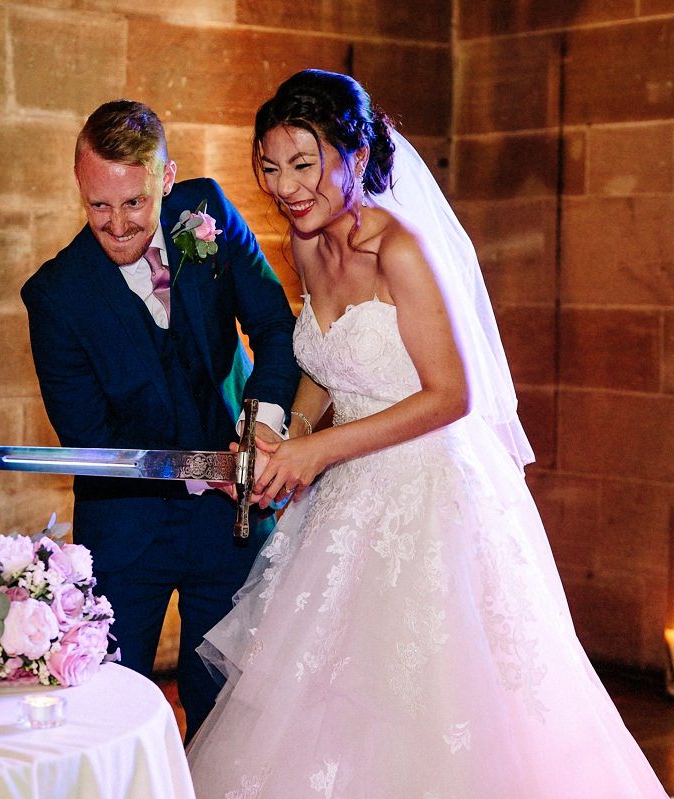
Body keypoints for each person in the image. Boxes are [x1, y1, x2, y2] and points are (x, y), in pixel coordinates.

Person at [186, 69, 667, 797]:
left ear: (352, 154)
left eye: (304, 164)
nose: (285, 186)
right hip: (350, 499)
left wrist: (317, 450)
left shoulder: (399, 250)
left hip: (429, 494)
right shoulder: (305, 241)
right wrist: (293, 431)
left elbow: (452, 395)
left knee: (432, 699)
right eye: (270, 166)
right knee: (321, 706)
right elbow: (331, 360)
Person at [21, 99, 300, 740]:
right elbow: (88, 438)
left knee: (230, 717)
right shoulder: (55, 296)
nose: (117, 226)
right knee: (110, 715)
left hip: (233, 523)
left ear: (166, 178)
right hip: (126, 531)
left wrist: (264, 424)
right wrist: (204, 467)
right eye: (98, 206)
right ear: (80, 187)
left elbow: (275, 327)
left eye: (135, 204)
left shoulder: (209, 215)